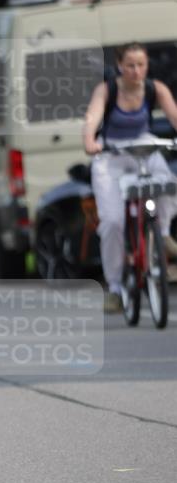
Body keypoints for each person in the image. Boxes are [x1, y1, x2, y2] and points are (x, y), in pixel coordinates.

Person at [83, 42, 177, 312]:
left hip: (143, 148)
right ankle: (114, 287)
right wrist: (90, 141)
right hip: (111, 153)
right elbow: (92, 119)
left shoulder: (155, 88)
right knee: (112, 222)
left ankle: (163, 233)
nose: (137, 71)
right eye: (131, 66)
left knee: (169, 184)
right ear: (119, 67)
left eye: (142, 65)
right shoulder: (107, 89)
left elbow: (174, 115)